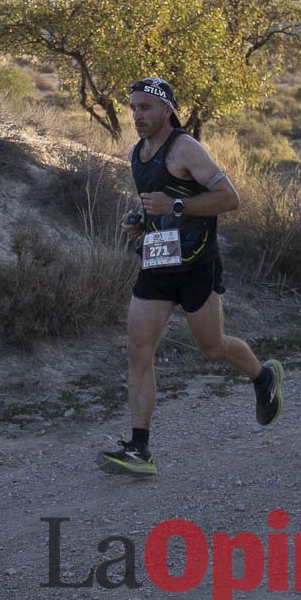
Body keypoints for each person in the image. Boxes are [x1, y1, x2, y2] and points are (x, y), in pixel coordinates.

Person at [99, 77, 284, 477]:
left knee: (212, 346)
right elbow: (156, 204)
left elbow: (230, 198)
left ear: (167, 110)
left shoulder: (185, 148)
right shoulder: (138, 153)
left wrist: (176, 204)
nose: (137, 115)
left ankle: (263, 375)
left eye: (146, 107)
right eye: (133, 107)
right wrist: (140, 221)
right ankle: (139, 448)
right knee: (137, 349)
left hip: (196, 264)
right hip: (156, 262)